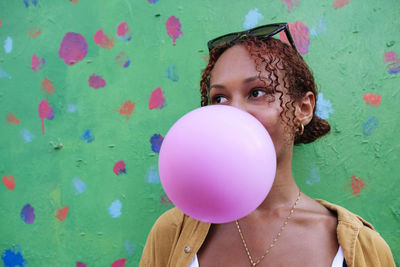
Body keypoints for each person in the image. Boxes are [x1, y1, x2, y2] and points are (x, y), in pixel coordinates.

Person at [139, 23, 395, 267]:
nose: (233, 113)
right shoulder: (171, 233)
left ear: (303, 109)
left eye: (257, 92)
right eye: (220, 98)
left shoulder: (362, 247)